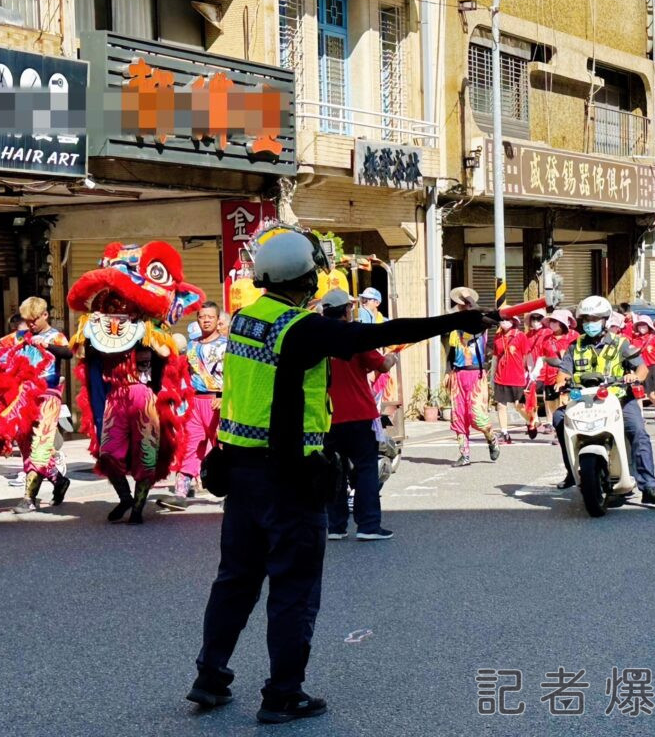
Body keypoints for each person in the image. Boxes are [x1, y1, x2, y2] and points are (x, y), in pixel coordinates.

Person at [187, 228, 496, 724]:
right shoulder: (299, 329)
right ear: (306, 276)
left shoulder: (246, 320)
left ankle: (209, 678)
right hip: (288, 478)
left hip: (241, 473)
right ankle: (283, 694)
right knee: (294, 588)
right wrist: (456, 321)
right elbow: (376, 334)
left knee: (235, 582)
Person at [552, 295, 655, 504]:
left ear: (605, 320)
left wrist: (635, 377)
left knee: (638, 432)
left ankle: (649, 486)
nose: (590, 324)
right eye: (585, 319)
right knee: (559, 419)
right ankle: (571, 470)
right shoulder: (574, 346)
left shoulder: (620, 343)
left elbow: (641, 367)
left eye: (594, 319)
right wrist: (561, 382)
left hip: (619, 397)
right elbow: (563, 372)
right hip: (583, 400)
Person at [318, 289, 397, 539]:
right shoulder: (354, 335)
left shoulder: (315, 337)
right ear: (346, 310)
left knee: (333, 469)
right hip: (359, 414)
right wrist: (392, 358)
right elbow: (382, 364)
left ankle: (336, 526)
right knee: (365, 469)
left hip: (326, 415)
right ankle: (368, 525)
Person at [0, 297, 73, 513]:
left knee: (41, 447)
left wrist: (48, 345)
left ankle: (28, 498)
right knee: (25, 446)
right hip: (24, 398)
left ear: (44, 315)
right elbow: (1, 347)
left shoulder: (55, 336)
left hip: (48, 396)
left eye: (34, 320)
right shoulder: (22, 336)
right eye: (27, 321)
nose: (31, 325)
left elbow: (69, 353)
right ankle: (59, 481)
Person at [160, 301, 227, 511]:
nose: (206, 320)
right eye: (202, 317)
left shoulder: (229, 346)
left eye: (210, 317)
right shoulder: (192, 346)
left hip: (220, 402)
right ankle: (180, 494)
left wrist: (225, 396)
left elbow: (236, 377)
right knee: (190, 446)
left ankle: (232, 494)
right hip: (195, 403)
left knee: (225, 449)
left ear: (218, 321)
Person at [444, 286, 499, 467]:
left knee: (477, 416)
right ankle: (464, 454)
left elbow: (490, 318)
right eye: (460, 305)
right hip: (458, 375)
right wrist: (447, 372)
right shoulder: (454, 327)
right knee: (458, 415)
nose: (462, 308)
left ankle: (491, 438)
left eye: (465, 305)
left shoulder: (481, 324)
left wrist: (471, 301)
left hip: (475, 375)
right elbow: (451, 353)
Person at [492, 316, 530, 444]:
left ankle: (531, 421)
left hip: (517, 377)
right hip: (501, 377)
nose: (504, 322)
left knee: (519, 406)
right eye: (502, 319)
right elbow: (495, 358)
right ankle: (504, 433)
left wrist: (528, 372)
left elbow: (526, 356)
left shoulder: (520, 336)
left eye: (507, 319)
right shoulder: (498, 337)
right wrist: (492, 376)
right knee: (501, 406)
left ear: (513, 321)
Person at [540, 309, 578, 424]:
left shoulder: (574, 337)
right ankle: (553, 426)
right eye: (552, 321)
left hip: (565, 376)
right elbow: (542, 357)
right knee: (551, 403)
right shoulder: (547, 338)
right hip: (549, 375)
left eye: (556, 321)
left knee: (565, 403)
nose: (553, 324)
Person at [629, 315, 655, 417]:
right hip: (640, 368)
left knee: (651, 394)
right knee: (638, 394)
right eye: (640, 325)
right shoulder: (635, 340)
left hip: (653, 367)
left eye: (644, 325)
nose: (642, 328)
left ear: (649, 326)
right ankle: (640, 415)